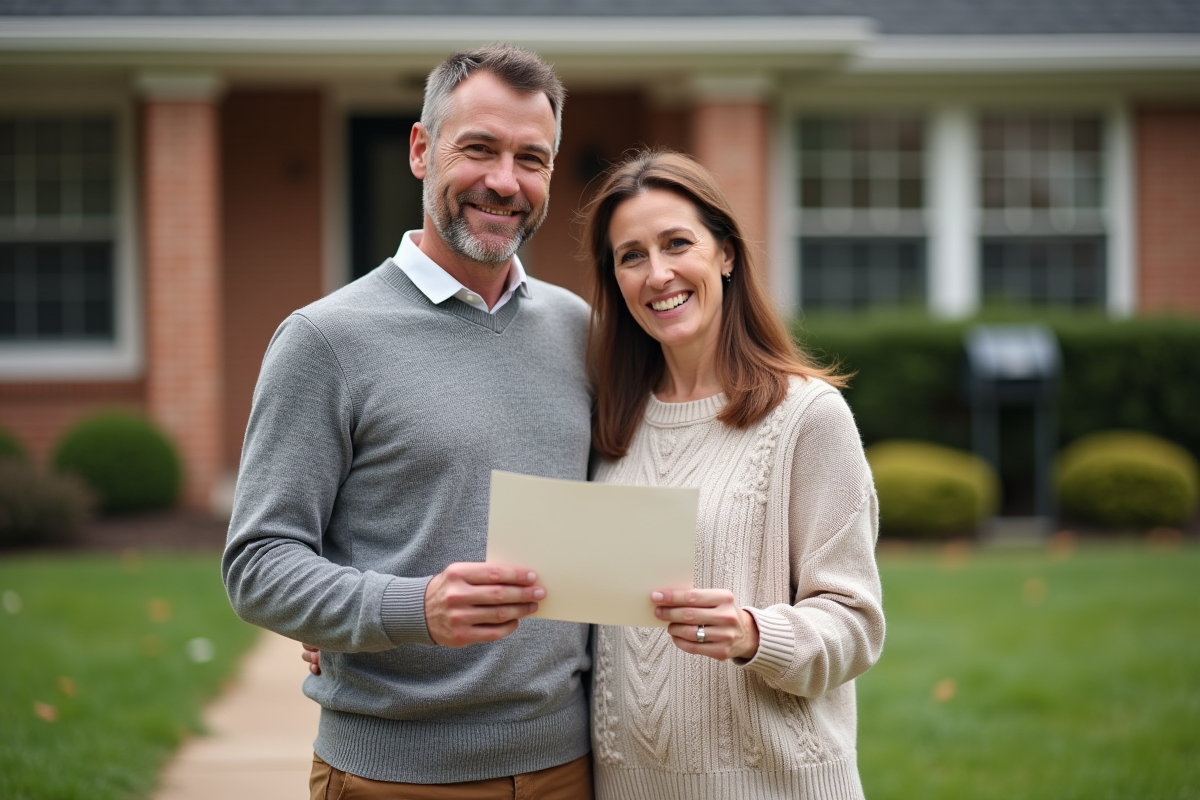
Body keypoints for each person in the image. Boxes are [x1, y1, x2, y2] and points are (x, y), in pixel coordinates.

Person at [222, 44, 596, 799]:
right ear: (422, 151)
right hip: (392, 777)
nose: (504, 181)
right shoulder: (325, 341)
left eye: (532, 157)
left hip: (571, 766)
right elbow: (258, 565)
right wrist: (409, 608)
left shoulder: (579, 329)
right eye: (480, 148)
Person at [581, 150, 886, 799]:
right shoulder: (610, 422)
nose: (657, 273)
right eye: (631, 255)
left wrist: (755, 634)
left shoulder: (806, 415)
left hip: (777, 785)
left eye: (676, 243)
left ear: (725, 252)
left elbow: (856, 624)